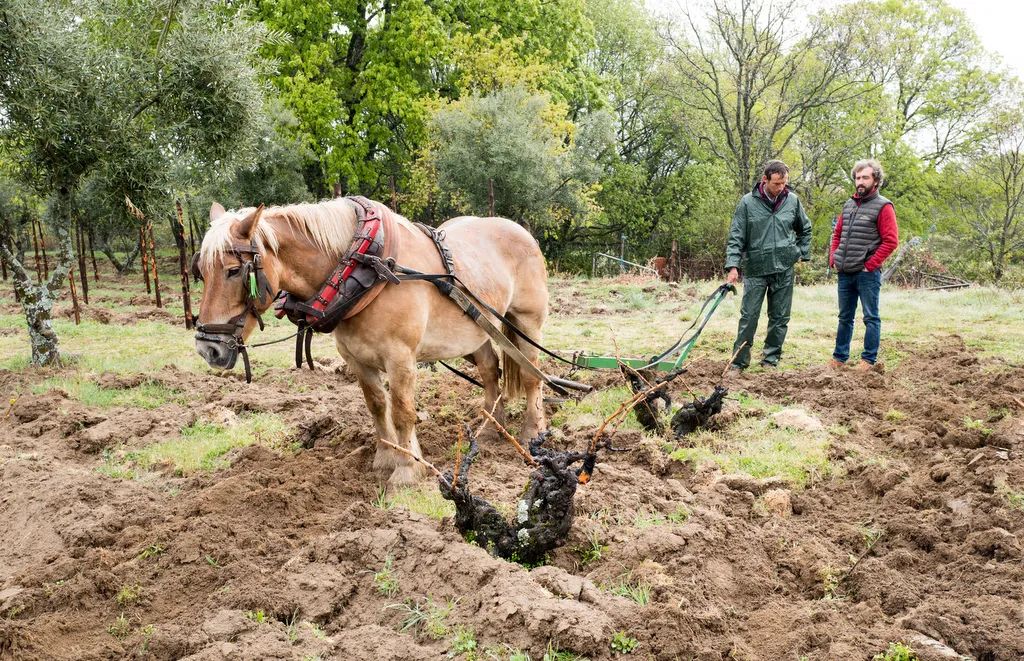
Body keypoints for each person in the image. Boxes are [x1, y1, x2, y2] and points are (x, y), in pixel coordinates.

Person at [724, 160, 812, 371]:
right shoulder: (747, 203)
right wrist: (733, 265)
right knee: (749, 317)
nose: (781, 187)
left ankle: (770, 359)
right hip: (756, 268)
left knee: (780, 317)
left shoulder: (792, 201)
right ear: (765, 180)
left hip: (784, 268)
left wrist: (799, 253)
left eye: (784, 183)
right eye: (777, 183)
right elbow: (736, 236)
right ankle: (739, 362)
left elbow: (805, 229)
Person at [828, 159, 899, 370]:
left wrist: (870, 264)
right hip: (845, 271)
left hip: (867, 274)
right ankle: (839, 358)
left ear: (875, 180)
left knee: (871, 317)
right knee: (844, 317)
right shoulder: (849, 204)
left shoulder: (883, 206)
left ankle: (868, 360)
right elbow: (837, 233)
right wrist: (834, 258)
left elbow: (891, 241)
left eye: (865, 177)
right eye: (858, 177)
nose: (860, 181)